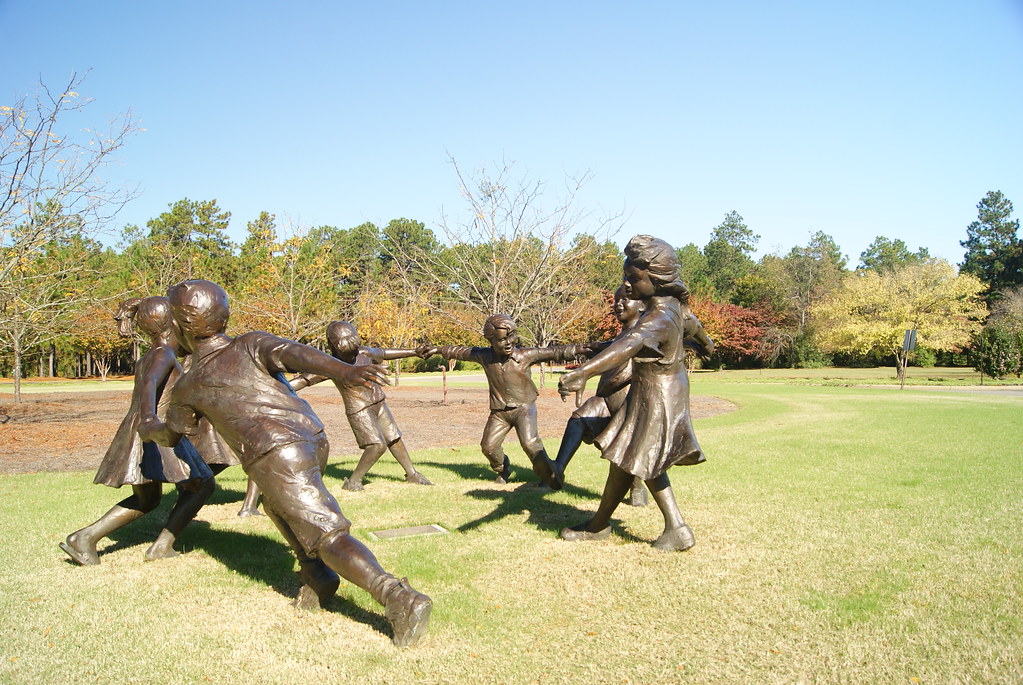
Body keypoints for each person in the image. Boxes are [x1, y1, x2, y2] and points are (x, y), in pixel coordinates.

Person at [145, 280, 430, 648]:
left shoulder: (189, 385)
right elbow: (294, 352)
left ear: (182, 323)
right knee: (277, 506)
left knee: (326, 533)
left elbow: (170, 436)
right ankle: (316, 575)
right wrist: (341, 371)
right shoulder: (249, 342)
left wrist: (149, 425)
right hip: (312, 439)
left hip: (278, 455)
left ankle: (398, 598)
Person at [557, 235, 706, 552]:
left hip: (656, 394)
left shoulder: (658, 318)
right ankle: (601, 524)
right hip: (661, 390)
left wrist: (583, 372)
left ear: (656, 278)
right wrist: (706, 345)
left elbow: (628, 345)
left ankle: (676, 528)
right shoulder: (675, 310)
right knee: (628, 457)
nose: (627, 284)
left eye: (634, 278)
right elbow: (695, 330)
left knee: (640, 457)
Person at [61, 297, 215, 565]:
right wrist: (148, 418)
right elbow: (150, 384)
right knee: (202, 484)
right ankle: (161, 546)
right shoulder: (163, 354)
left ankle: (84, 538)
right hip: (155, 429)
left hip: (139, 429)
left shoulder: (152, 354)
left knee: (148, 498)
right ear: (173, 323)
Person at [548, 287, 715, 506]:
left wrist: (705, 342)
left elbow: (688, 325)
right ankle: (557, 471)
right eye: (616, 300)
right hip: (606, 400)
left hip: (632, 400)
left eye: (626, 299)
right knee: (580, 419)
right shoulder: (619, 337)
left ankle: (636, 491)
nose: (619, 304)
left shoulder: (650, 328)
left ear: (642, 305)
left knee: (632, 447)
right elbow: (601, 349)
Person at [420, 315, 595, 484]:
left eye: (511, 337)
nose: (509, 343)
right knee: (488, 447)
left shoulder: (525, 355)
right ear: (491, 341)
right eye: (503, 340)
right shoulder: (484, 356)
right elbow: (459, 352)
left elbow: (556, 352)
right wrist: (436, 349)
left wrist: (586, 349)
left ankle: (550, 477)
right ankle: (503, 469)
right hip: (499, 412)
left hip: (524, 408)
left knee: (530, 443)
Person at [290, 321, 432, 491]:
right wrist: (275, 388)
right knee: (376, 445)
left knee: (394, 437)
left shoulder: (363, 352)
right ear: (332, 345)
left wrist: (413, 352)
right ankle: (353, 481)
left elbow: (384, 353)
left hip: (378, 402)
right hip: (359, 410)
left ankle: (412, 474)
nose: (351, 352)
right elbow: (304, 380)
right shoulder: (329, 364)